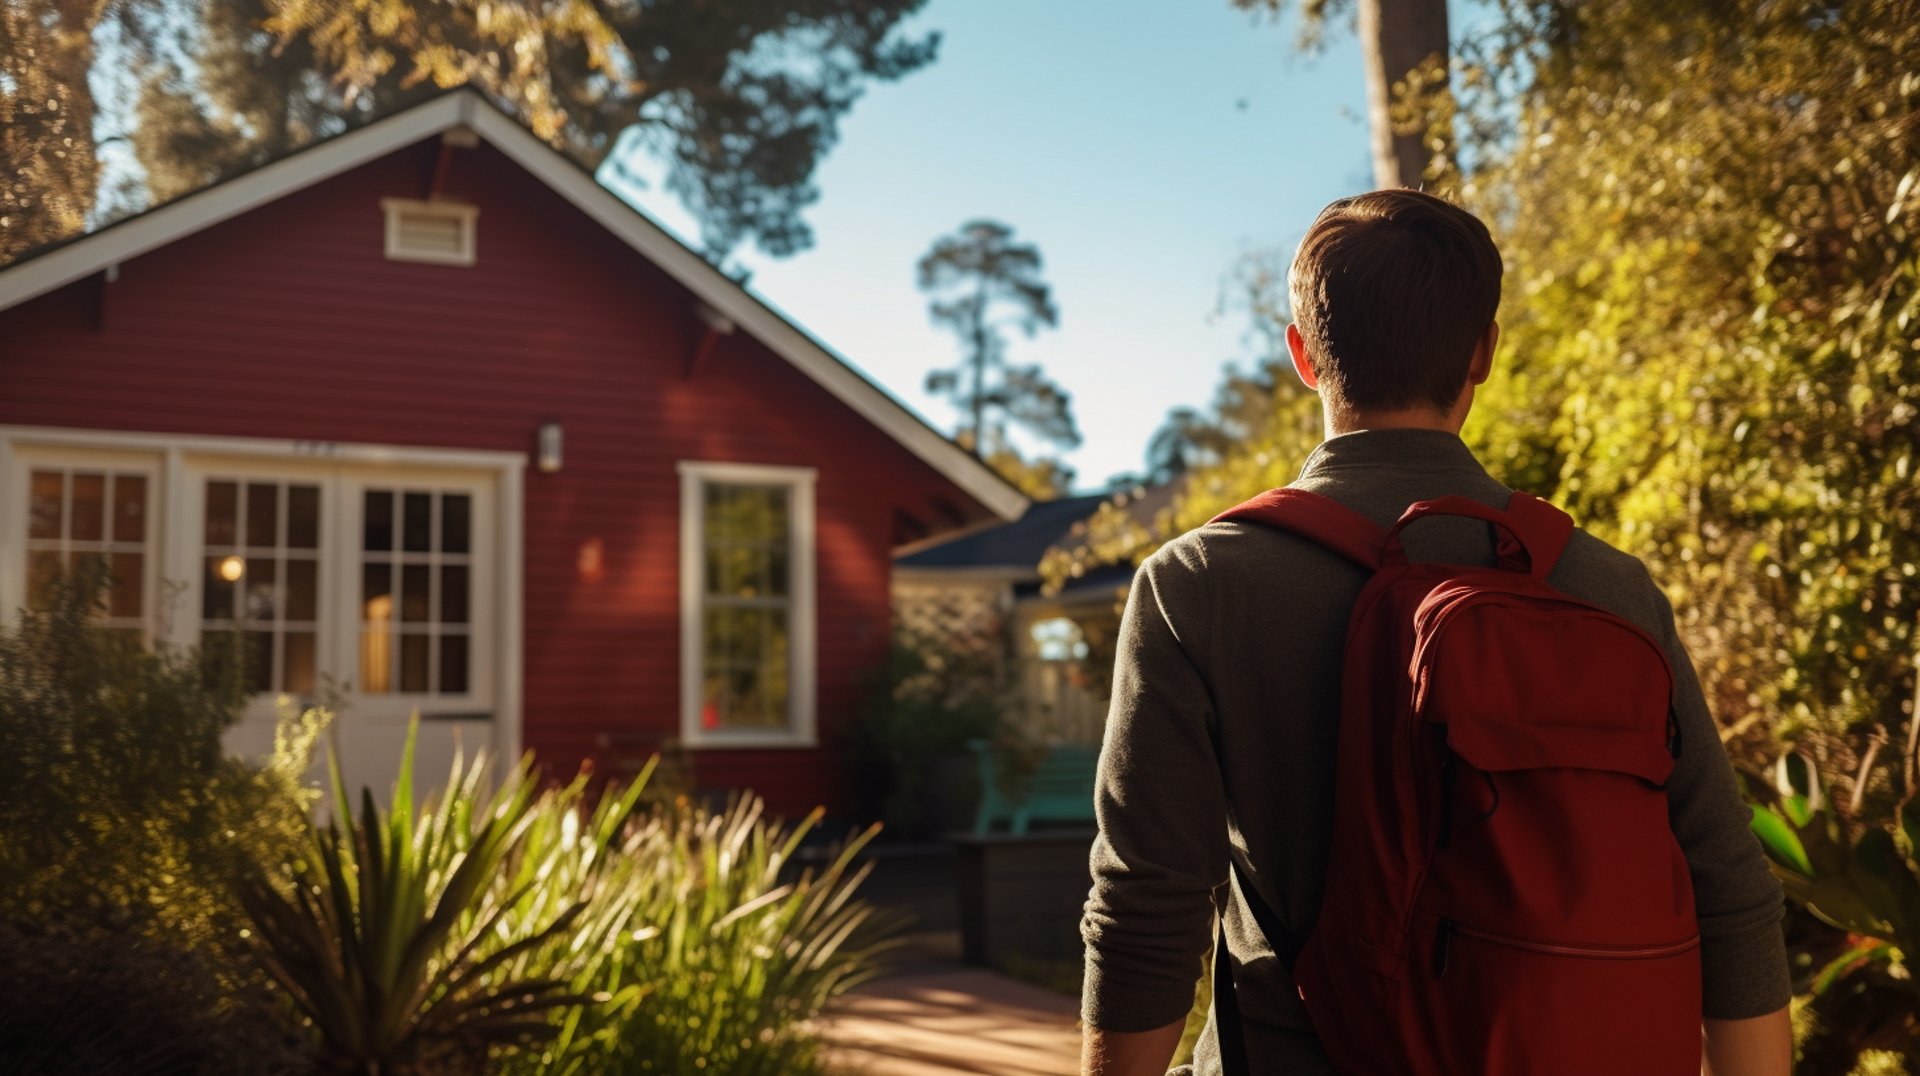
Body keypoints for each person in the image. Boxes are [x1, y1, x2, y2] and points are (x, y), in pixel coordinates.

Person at [1077, 188, 1793, 1076]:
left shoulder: (1201, 585)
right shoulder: (1608, 588)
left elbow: (1147, 904)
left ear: (1302, 355)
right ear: (1483, 353)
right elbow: (1730, 890)